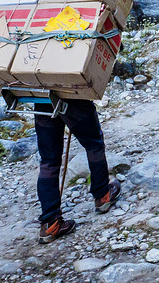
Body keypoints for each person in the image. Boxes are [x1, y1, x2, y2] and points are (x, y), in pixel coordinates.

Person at [33, 99, 120, 244]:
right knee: (94, 144)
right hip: (71, 96)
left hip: (40, 98)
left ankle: (50, 222)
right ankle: (103, 195)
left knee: (48, 160)